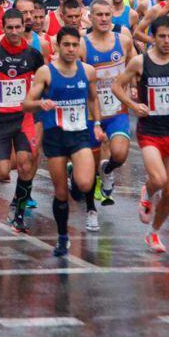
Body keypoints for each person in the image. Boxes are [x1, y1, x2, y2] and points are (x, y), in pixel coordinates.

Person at [112, 15, 169, 253]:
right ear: (152, 37)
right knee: (159, 179)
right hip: (150, 130)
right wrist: (133, 107)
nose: (166, 41)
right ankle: (147, 190)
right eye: (161, 36)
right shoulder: (141, 63)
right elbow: (116, 86)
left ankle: (153, 232)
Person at [24, 26, 103, 255]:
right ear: (57, 46)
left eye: (74, 45)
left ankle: (74, 176)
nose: (70, 49)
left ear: (79, 47)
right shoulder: (46, 73)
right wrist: (41, 104)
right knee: (60, 193)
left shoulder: (87, 71)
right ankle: (62, 237)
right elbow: (26, 104)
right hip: (55, 137)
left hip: (79, 134)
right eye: (66, 45)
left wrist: (97, 124)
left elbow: (93, 99)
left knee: (86, 183)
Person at [0, 9, 44, 232]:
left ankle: (18, 212)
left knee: (27, 162)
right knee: (1, 174)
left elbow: (43, 81)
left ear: (23, 27)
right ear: (3, 28)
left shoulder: (33, 55)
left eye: (18, 27)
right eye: (10, 28)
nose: (15, 32)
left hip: (24, 118)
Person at [85, 0, 136, 208]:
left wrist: (133, 87)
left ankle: (107, 171)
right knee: (88, 168)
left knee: (120, 154)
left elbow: (133, 64)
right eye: (99, 15)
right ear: (90, 17)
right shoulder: (81, 43)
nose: (104, 19)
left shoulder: (123, 40)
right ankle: (91, 209)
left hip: (116, 110)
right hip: (90, 112)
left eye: (107, 15)